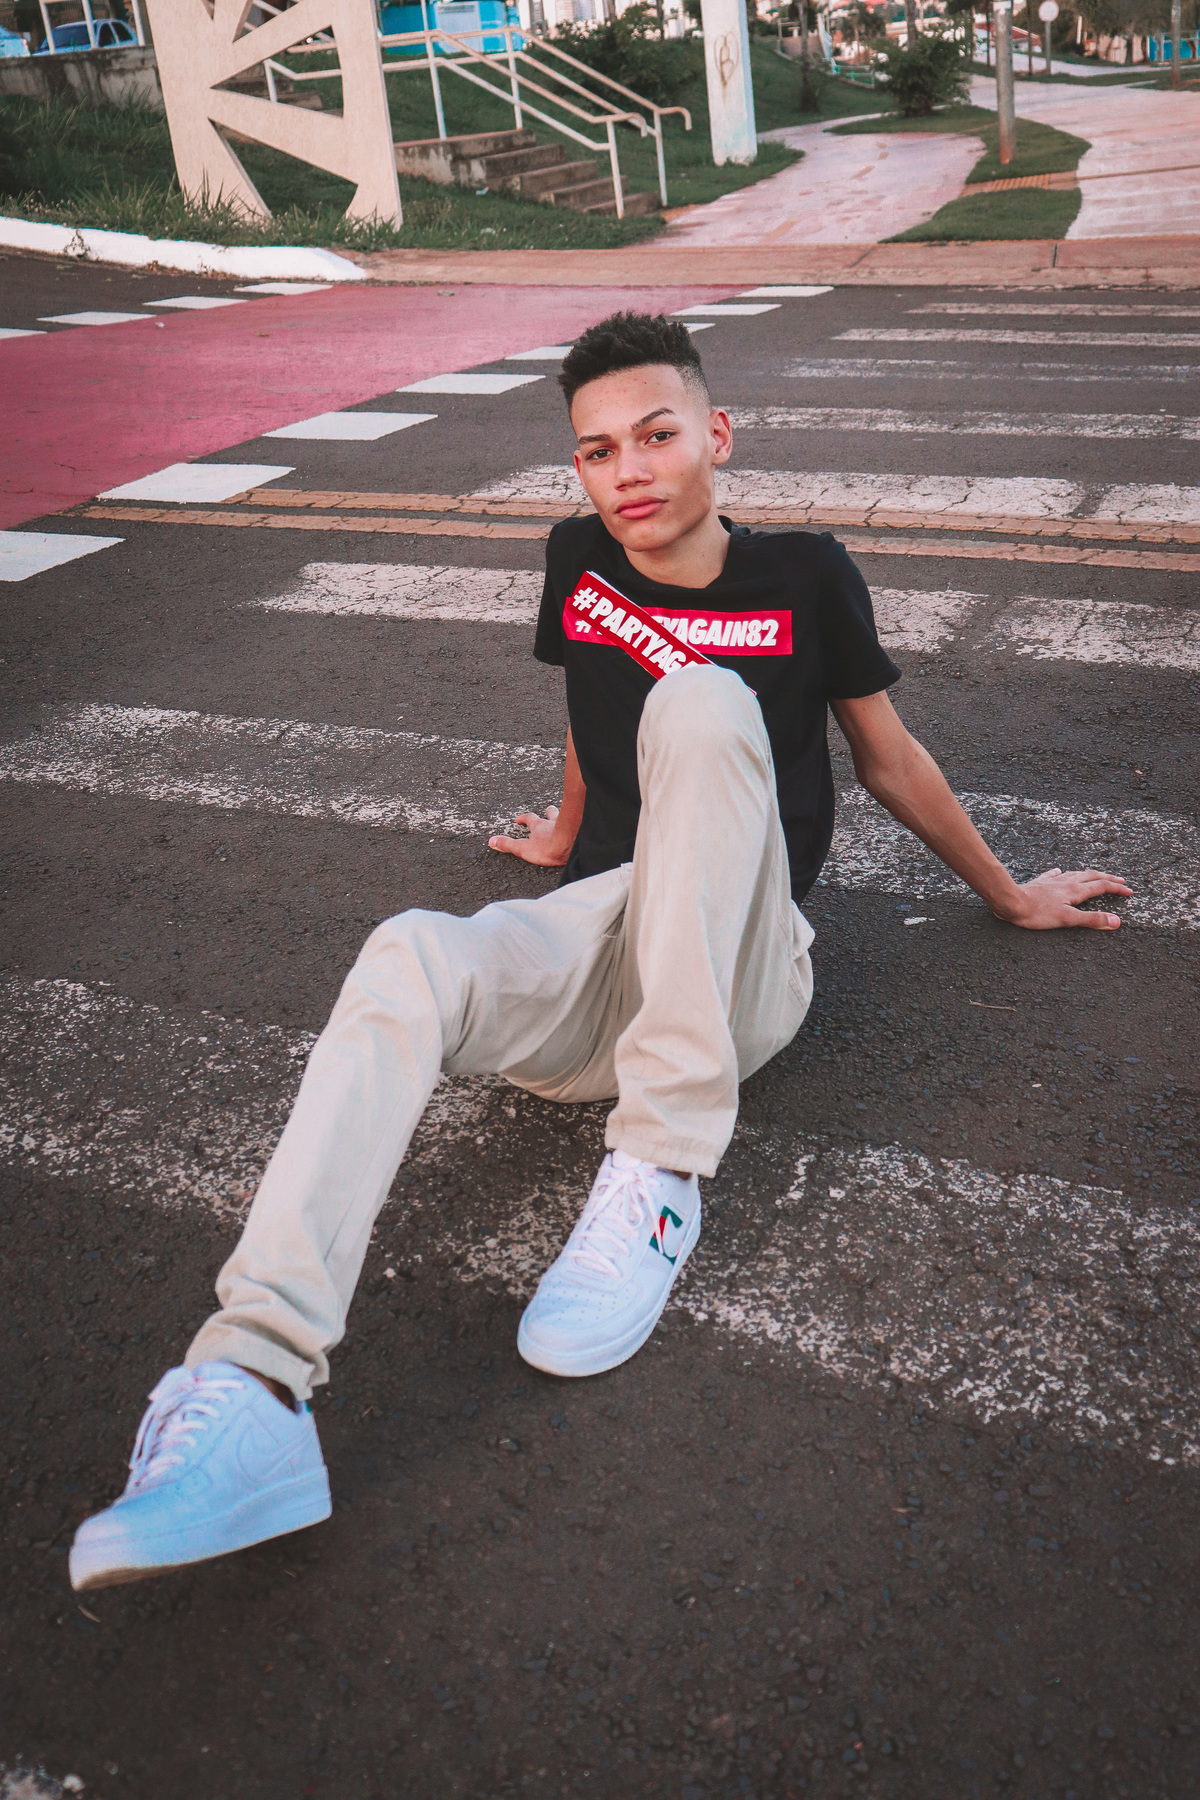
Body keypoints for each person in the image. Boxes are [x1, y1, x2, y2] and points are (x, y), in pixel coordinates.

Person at [70, 312, 1131, 1593]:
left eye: (656, 436)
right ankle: (253, 1390)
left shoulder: (807, 576)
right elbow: (586, 707)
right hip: (601, 942)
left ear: (717, 436)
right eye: (595, 451)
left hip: (743, 958)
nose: (626, 471)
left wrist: (1010, 895)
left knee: (700, 698)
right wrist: (568, 834)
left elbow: (888, 760)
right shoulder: (578, 557)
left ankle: (658, 1171)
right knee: (409, 953)